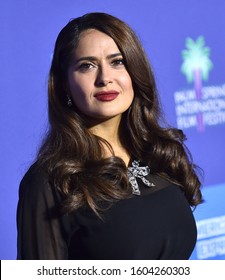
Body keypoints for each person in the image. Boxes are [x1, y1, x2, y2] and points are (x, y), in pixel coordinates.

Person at [17, 12, 203, 260]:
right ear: (64, 84)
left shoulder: (161, 154)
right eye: (87, 66)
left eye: (117, 62)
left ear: (134, 71)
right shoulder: (50, 182)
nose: (105, 78)